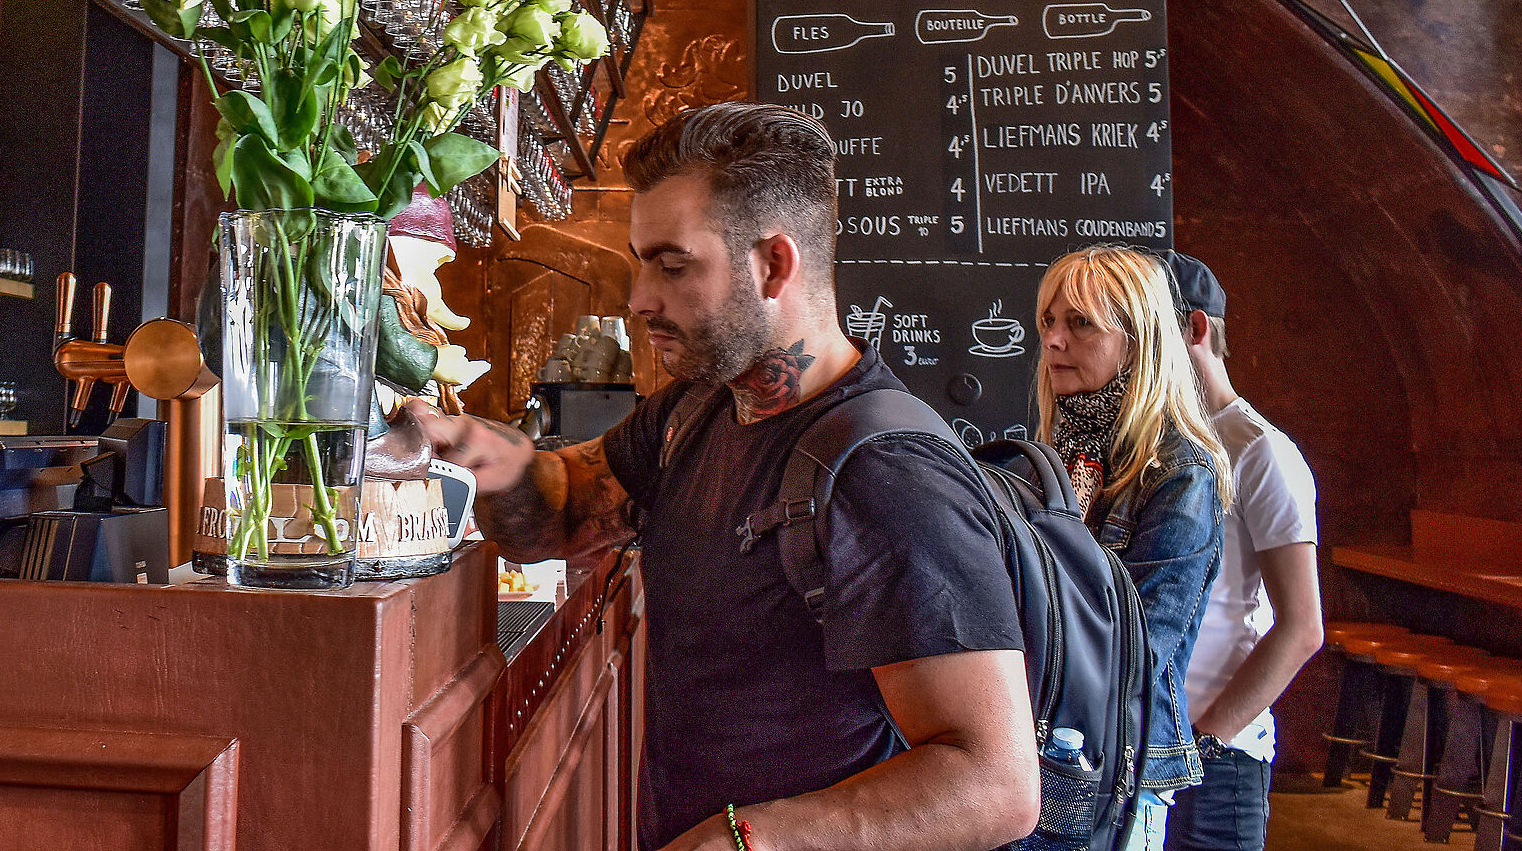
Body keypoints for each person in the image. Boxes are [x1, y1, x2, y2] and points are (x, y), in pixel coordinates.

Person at [406, 102, 1038, 851]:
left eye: (672, 266)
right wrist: (483, 452)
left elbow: (993, 783)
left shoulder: (884, 473)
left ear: (773, 265)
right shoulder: (696, 409)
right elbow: (568, 507)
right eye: (642, 262)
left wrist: (747, 840)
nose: (639, 298)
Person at [1037, 245, 1233, 851]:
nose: (1053, 341)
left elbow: (1137, 648)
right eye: (1048, 321)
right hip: (1045, 750)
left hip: (1117, 769)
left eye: (1080, 323)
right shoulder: (1061, 454)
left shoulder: (1180, 471)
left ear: (1139, 341)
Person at [1164, 253, 1323, 851]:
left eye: (1148, 331)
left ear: (1195, 329)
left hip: (1217, 762)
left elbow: (1303, 629)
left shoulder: (1259, 451)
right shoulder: (1163, 443)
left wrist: (1206, 741)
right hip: (1150, 752)